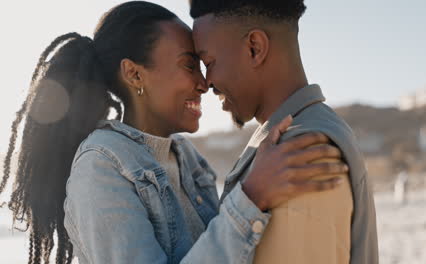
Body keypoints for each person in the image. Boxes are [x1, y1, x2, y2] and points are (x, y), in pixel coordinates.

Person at [0, 2, 348, 264]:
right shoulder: (100, 166)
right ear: (135, 75)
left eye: (202, 65)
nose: (203, 82)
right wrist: (253, 195)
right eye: (187, 65)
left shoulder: (186, 156)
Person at [190, 0, 379, 263]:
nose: (205, 82)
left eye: (208, 62)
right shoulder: (289, 141)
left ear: (254, 48)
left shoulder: (298, 154)